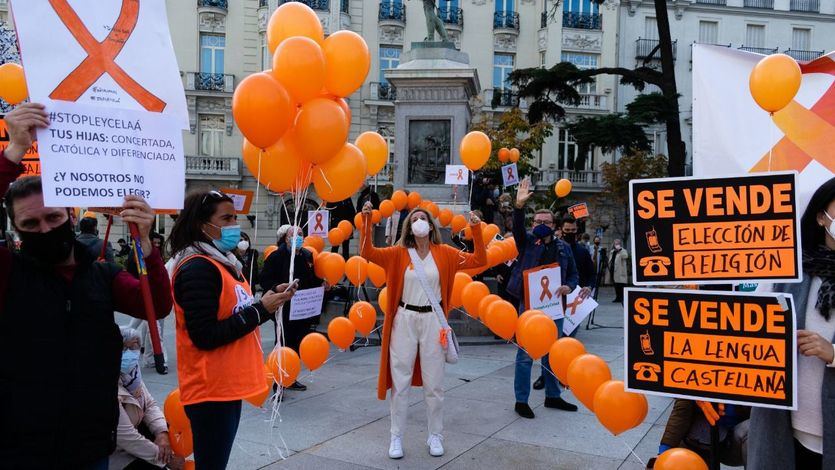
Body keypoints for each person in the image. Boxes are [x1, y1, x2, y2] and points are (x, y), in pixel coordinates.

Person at [0, 103, 174, 468]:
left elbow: (155, 306)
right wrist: (12, 153)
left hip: (92, 447)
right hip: (21, 449)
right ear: (15, 230)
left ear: (71, 215)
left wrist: (147, 245)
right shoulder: (9, 273)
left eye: (53, 217)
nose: (45, 229)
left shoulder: (101, 274)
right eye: (31, 225)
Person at [168, 189, 297, 469]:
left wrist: (269, 296)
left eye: (235, 217)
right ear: (203, 224)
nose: (234, 225)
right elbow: (205, 335)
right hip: (211, 389)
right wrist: (262, 310)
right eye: (226, 218)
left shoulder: (220, 262)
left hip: (224, 385)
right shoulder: (198, 268)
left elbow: (234, 309)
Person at [359, 201, 486, 459]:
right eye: (414, 218)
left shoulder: (445, 253)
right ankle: (396, 437)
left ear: (430, 225)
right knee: (400, 381)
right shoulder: (398, 253)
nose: (419, 222)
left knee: (435, 383)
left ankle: (435, 435)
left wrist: (476, 229)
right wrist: (367, 220)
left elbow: (479, 260)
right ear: (409, 226)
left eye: (423, 218)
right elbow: (367, 252)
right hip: (404, 319)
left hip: (433, 321)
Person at [748, 177, 835, 469]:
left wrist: (833, 354)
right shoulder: (788, 270)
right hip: (785, 430)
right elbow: (749, 328)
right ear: (822, 217)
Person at [507, 177, 579, 419]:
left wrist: (569, 287)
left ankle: (552, 395)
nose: (541, 224)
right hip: (529, 307)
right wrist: (518, 207)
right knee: (526, 353)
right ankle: (521, 400)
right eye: (537, 221)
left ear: (553, 225)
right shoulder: (527, 242)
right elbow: (517, 227)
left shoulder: (563, 248)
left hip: (554, 307)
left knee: (553, 354)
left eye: (546, 222)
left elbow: (573, 275)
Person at [260, 224, 326, 392]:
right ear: (286, 238)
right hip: (284, 308)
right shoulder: (276, 256)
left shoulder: (307, 255)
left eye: (300, 234)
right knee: (282, 344)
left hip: (303, 309)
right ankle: (278, 382)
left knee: (296, 344)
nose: (297, 236)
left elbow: (312, 278)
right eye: (293, 234)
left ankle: (290, 377)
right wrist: (276, 287)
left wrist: (323, 284)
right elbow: (265, 280)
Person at [111, 327, 185, 470]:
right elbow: (126, 437)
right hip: (116, 454)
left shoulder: (133, 375)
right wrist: (165, 458)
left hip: (138, 440)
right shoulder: (107, 386)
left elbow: (150, 404)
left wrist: (162, 433)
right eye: (124, 349)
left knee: (169, 434)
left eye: (134, 347)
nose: (130, 354)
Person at [651, 400, 749, 468]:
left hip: (735, 442)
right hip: (699, 441)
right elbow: (681, 413)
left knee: (750, 428)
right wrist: (663, 454)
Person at [610, 239, 629, 303]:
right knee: (616, 284)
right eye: (615, 244)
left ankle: (622, 298)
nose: (616, 245)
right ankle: (617, 297)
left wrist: (619, 251)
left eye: (617, 244)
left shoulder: (623, 251)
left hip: (620, 270)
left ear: (620, 244)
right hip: (613, 269)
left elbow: (625, 256)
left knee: (621, 285)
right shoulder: (612, 251)